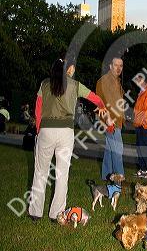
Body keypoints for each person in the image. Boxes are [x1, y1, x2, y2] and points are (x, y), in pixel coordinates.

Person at [28, 57, 107, 222]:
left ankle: (35, 213)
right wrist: (101, 106)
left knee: (40, 172)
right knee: (62, 174)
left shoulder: (44, 84)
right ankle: (57, 214)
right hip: (66, 133)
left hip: (46, 131)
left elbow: (37, 110)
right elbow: (95, 98)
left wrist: (38, 131)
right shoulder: (75, 85)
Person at [96, 57, 125, 180]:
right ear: (110, 66)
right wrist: (108, 121)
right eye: (116, 65)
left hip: (116, 120)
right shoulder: (104, 81)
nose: (118, 68)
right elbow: (100, 102)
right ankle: (119, 178)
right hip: (111, 122)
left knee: (110, 151)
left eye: (121, 66)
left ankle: (107, 176)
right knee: (117, 150)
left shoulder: (116, 81)